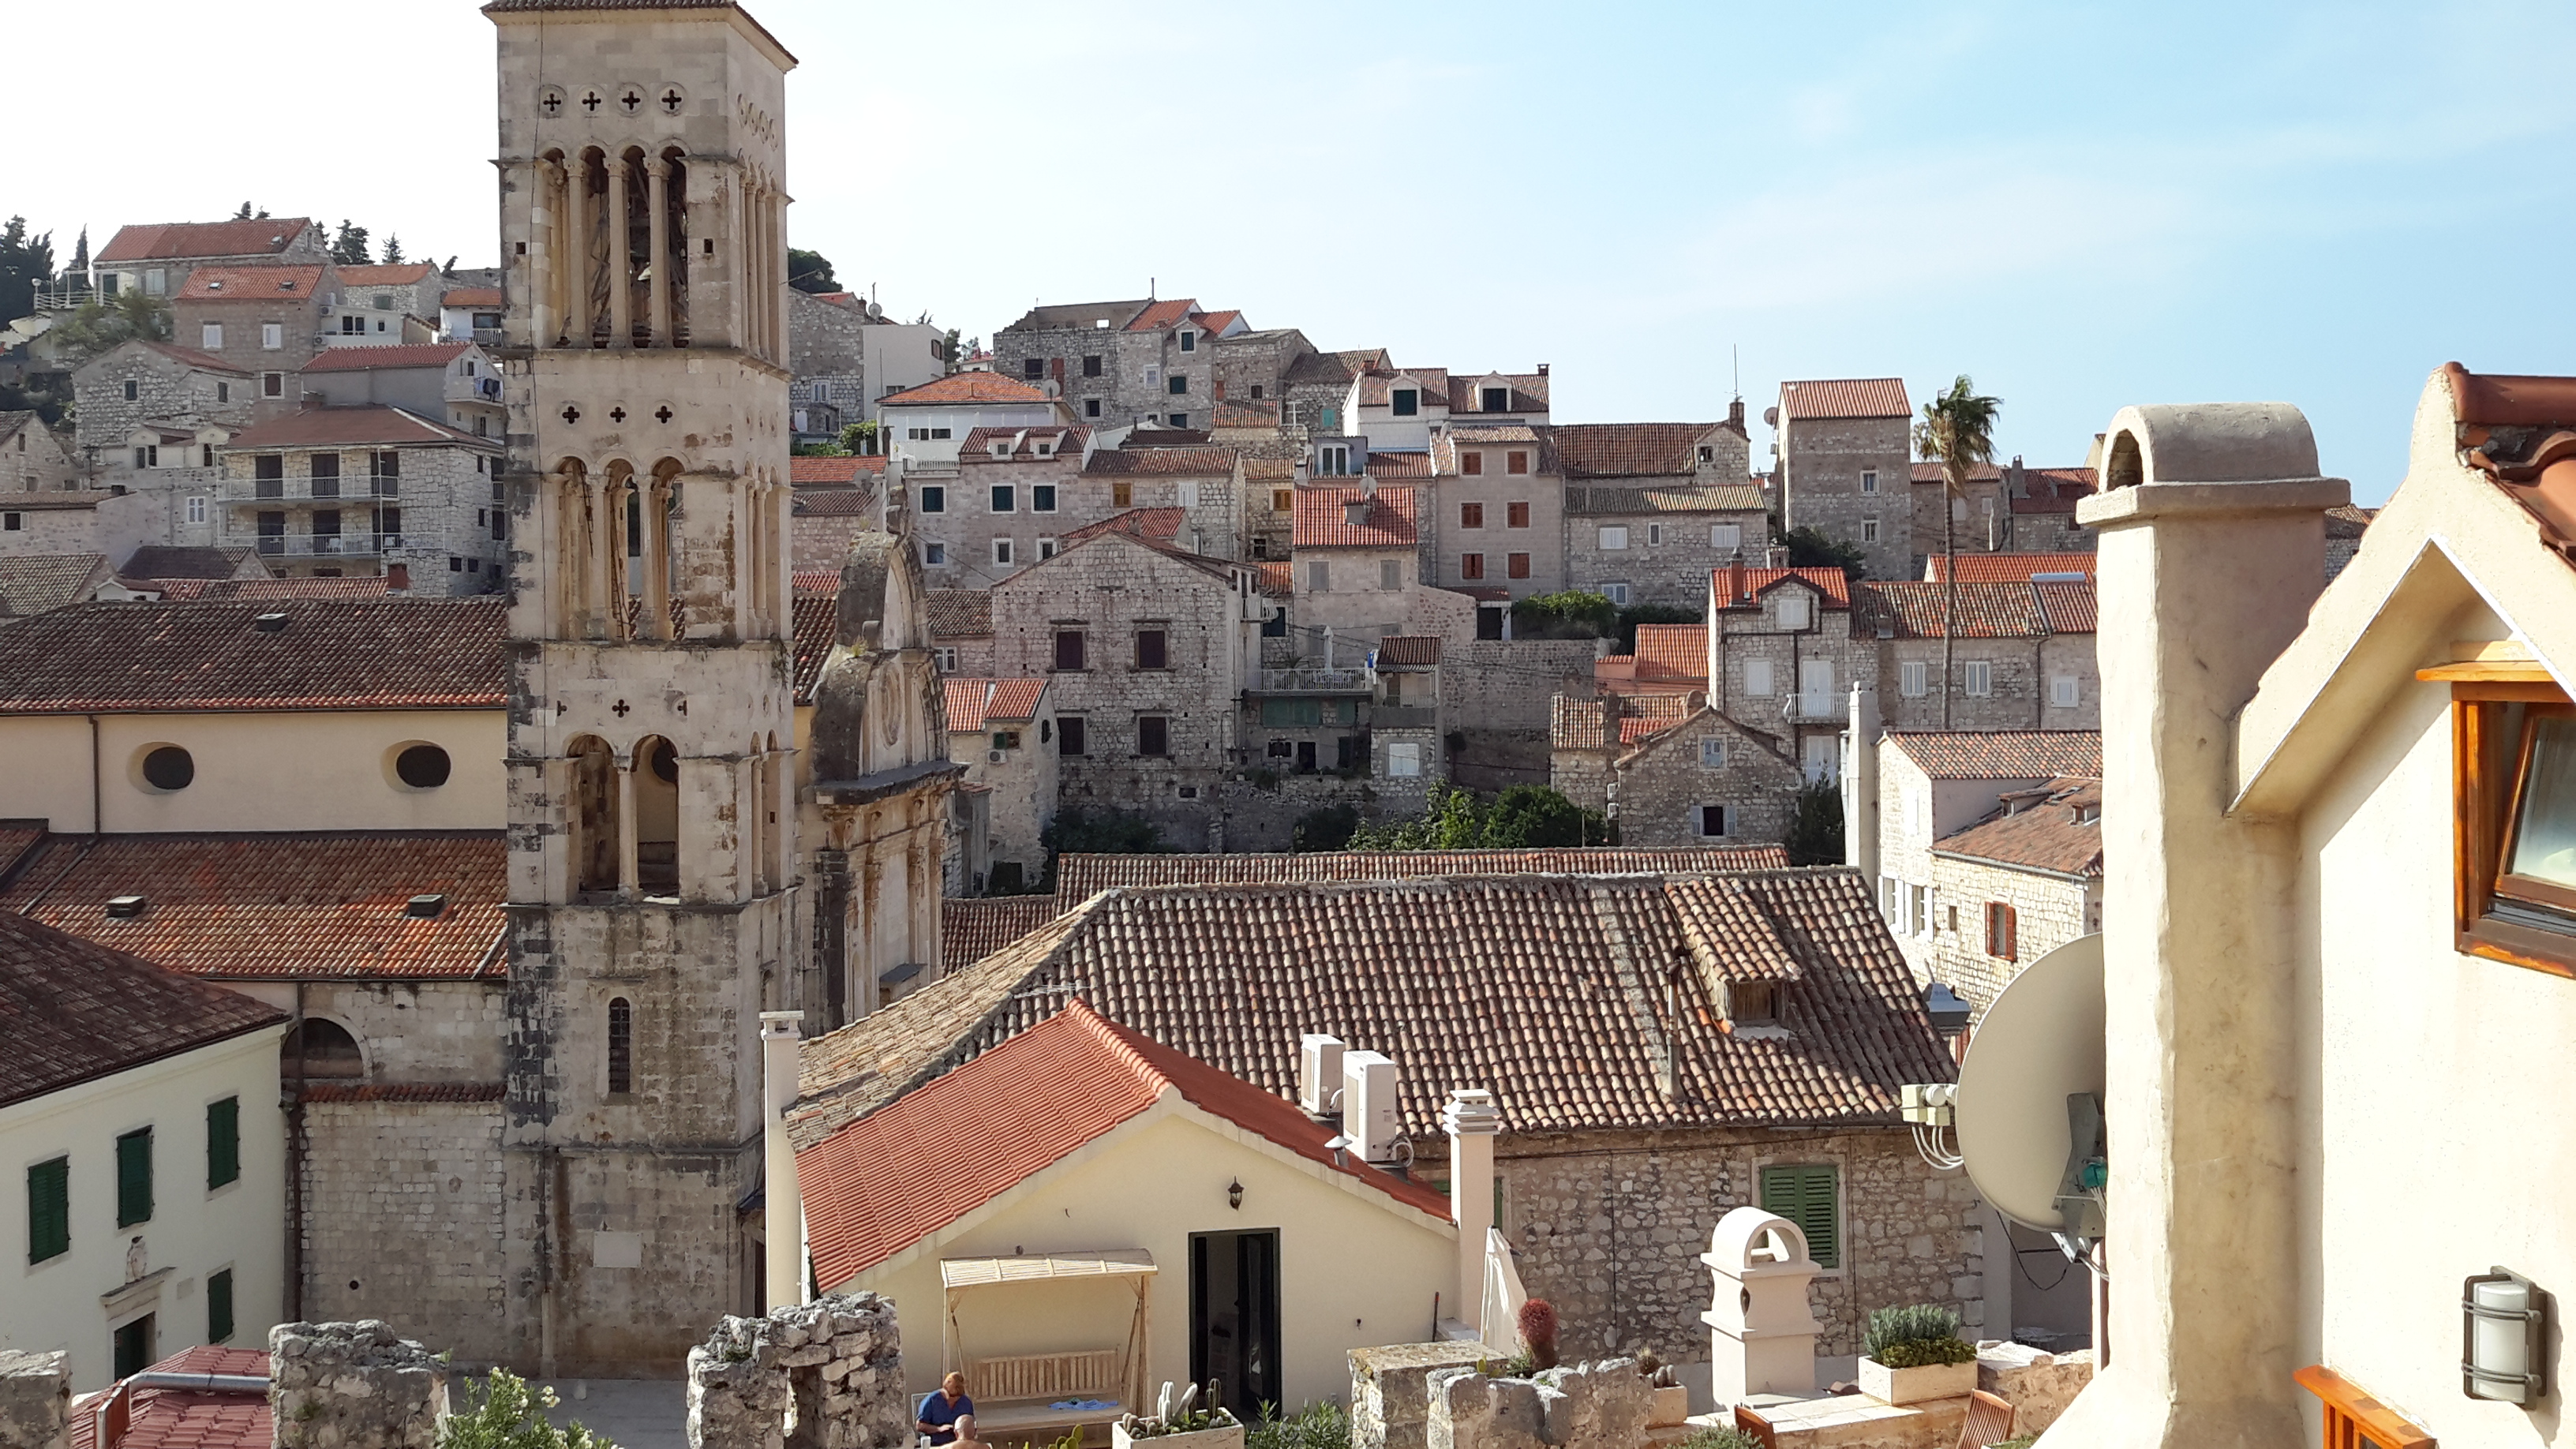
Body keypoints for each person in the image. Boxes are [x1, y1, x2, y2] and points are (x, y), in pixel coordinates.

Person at [919, 1372, 977, 1447]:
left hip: (958, 1444)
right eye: (948, 1381)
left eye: (957, 1398)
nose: (946, 1384)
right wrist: (939, 1429)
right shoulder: (932, 1400)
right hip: (935, 1444)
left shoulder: (966, 1402)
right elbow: (919, 1425)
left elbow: (971, 1424)